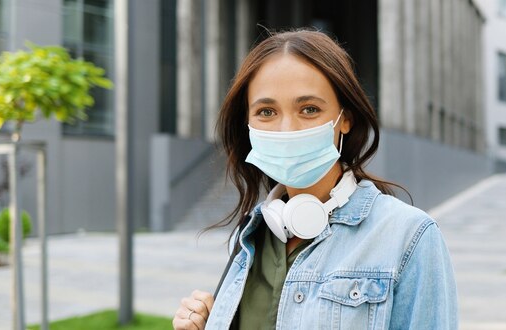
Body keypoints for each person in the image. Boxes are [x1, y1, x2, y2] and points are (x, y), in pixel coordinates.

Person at [173, 29, 457, 330]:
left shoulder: (410, 236)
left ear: (344, 118)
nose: (286, 129)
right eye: (266, 111)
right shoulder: (250, 237)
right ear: (248, 124)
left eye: (309, 109)